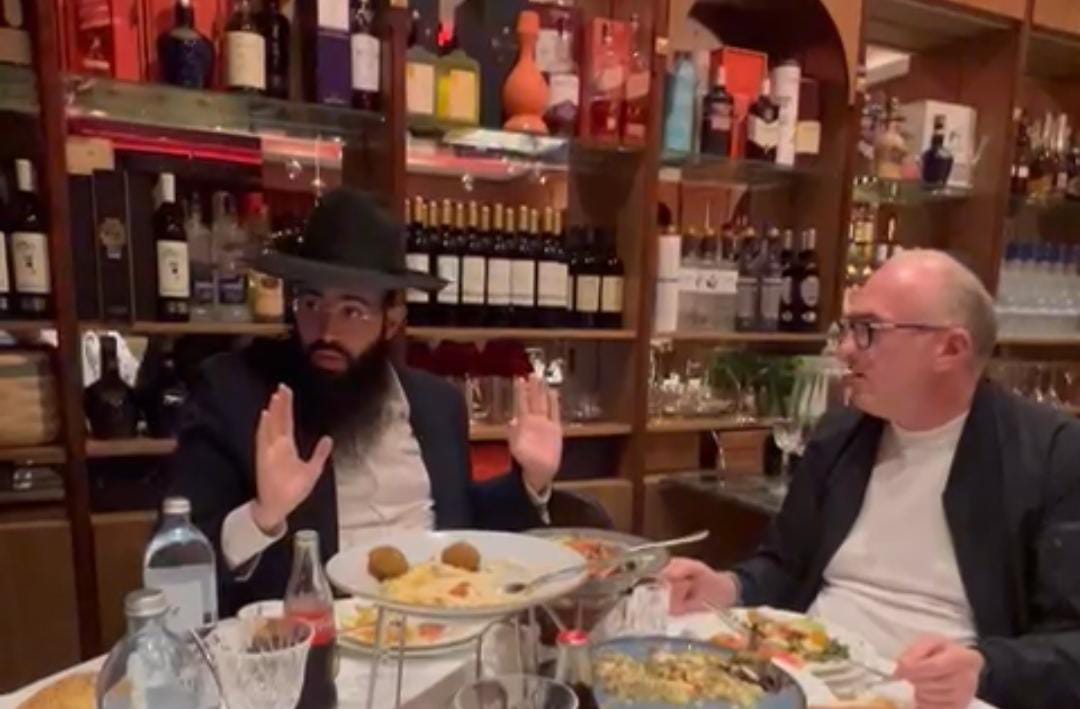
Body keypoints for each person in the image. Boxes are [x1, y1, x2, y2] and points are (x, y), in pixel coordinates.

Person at [663, 250, 1080, 709]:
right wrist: (728, 587)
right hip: (802, 676)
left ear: (950, 349)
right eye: (848, 329)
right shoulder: (841, 436)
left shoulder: (1052, 456)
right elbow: (785, 565)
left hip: (935, 697)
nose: (845, 349)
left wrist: (984, 668)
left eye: (868, 331)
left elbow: (1071, 644)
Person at [167, 189, 563, 616]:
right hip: (316, 641)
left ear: (392, 320)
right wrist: (262, 517)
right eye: (311, 303)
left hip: (440, 627)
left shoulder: (439, 404)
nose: (326, 331)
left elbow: (467, 525)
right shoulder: (234, 392)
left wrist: (531, 481)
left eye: (352, 311)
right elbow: (177, 565)